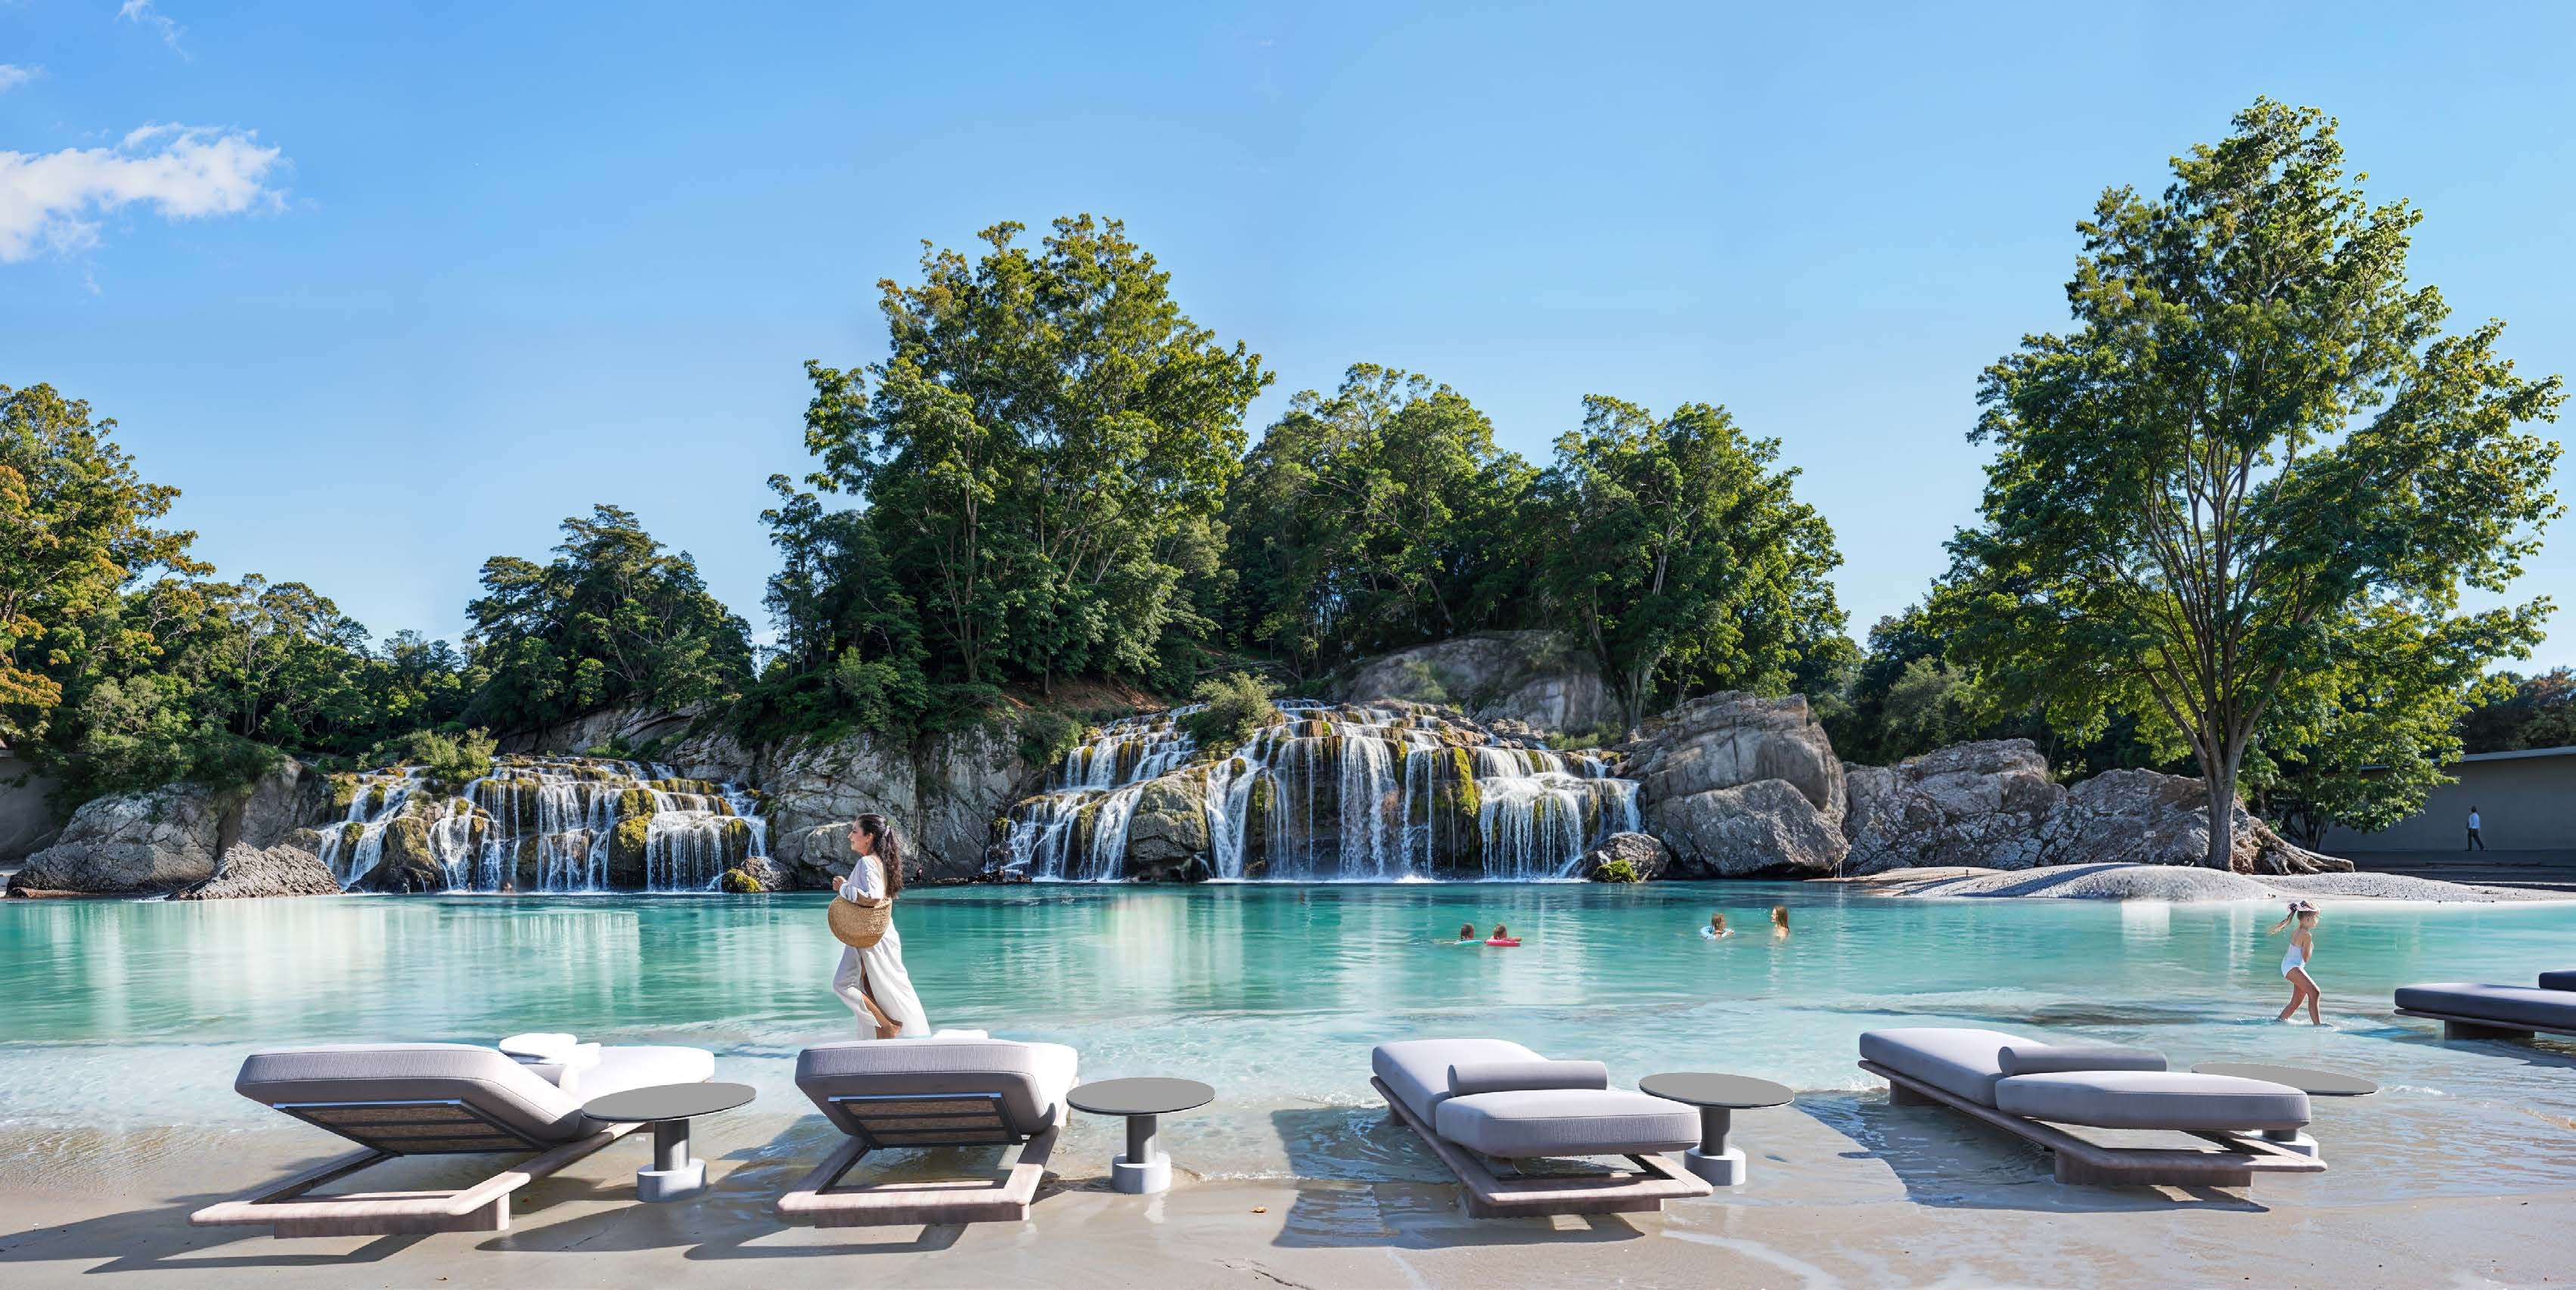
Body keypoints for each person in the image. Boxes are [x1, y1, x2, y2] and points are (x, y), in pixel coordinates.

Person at [832, 813, 930, 1040]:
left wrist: (843, 888)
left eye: (855, 831)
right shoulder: (879, 861)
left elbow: (873, 897)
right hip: (876, 932)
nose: (850, 836)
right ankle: (886, 1034)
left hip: (869, 934)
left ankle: (886, 1026)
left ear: (869, 837)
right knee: (876, 986)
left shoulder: (867, 862)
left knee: (843, 983)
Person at [2267, 900, 2323, 1025]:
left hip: (2289, 966)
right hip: (2292, 967)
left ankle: (2278, 1022)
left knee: (2296, 1002)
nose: (2318, 920)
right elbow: (2305, 958)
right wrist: (2310, 946)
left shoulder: (2298, 931)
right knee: (2315, 992)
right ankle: (2318, 1026)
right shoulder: (2306, 935)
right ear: (2309, 918)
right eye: (2317, 917)